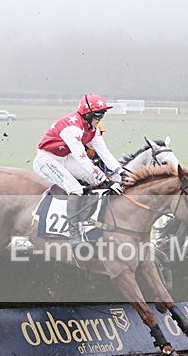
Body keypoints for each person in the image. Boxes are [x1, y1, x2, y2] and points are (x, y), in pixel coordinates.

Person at [33, 94, 124, 247]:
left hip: (65, 157)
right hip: (47, 159)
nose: (101, 117)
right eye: (98, 114)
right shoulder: (72, 128)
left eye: (103, 113)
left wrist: (121, 172)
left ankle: (91, 221)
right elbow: (82, 159)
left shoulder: (92, 128)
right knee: (75, 188)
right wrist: (106, 180)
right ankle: (73, 233)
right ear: (87, 113)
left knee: (96, 181)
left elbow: (104, 152)